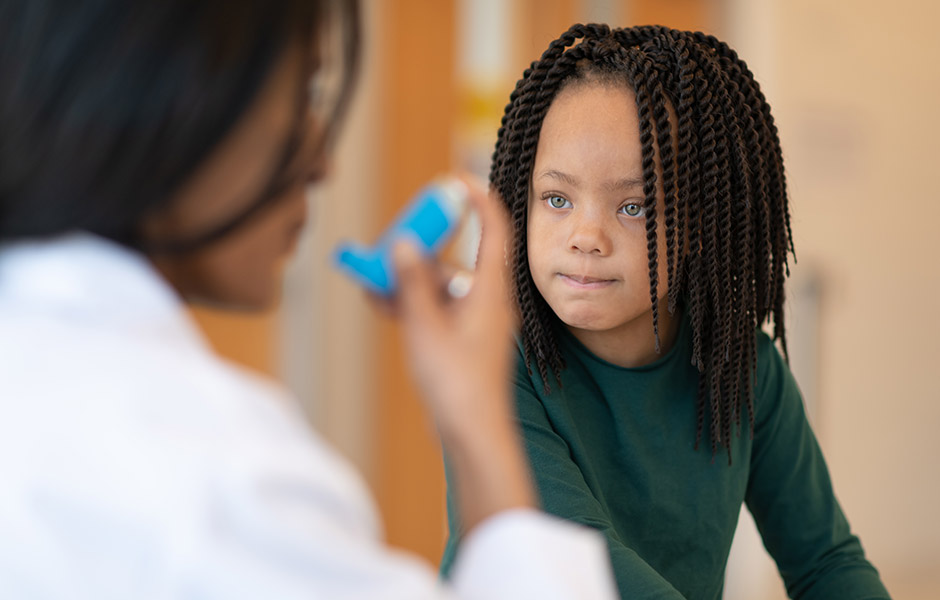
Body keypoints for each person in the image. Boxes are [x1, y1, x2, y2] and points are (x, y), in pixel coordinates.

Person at [0, 2, 618, 598]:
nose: (321, 163)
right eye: (303, 99)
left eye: (634, 205)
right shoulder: (220, 478)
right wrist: (482, 426)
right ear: (168, 99)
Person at [440, 23, 891, 600]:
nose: (586, 236)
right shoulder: (498, 360)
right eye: (557, 198)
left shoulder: (741, 368)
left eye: (634, 206)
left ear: (703, 226)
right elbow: (587, 571)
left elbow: (826, 563)